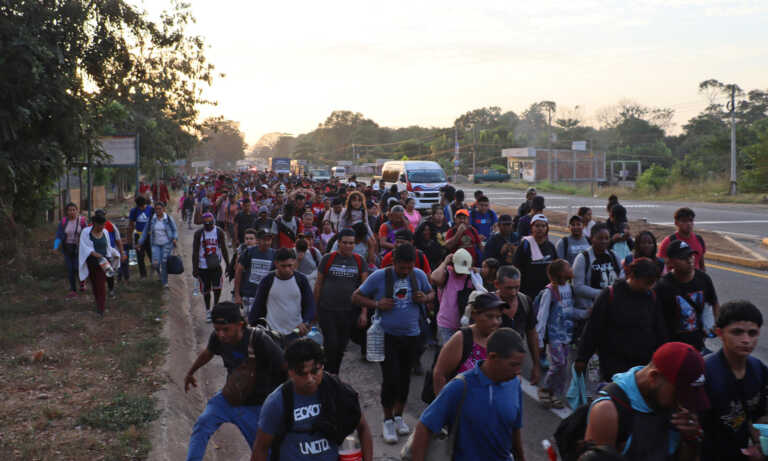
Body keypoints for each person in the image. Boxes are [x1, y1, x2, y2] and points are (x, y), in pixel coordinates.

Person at [351, 244, 435, 444]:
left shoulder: (419, 275)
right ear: (393, 262)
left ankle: (399, 416)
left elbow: (432, 294)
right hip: (386, 336)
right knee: (390, 378)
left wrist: (425, 298)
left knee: (405, 379)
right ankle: (387, 420)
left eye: (409, 267)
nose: (406, 272)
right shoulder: (379, 276)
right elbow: (355, 297)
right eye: (402, 268)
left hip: (412, 335)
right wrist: (377, 304)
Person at [184, 302, 285, 461]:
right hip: (230, 398)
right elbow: (208, 353)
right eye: (217, 330)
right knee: (202, 424)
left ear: (240, 325)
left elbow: (286, 368)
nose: (221, 334)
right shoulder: (217, 338)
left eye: (226, 329)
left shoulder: (259, 340)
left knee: (262, 451)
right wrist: (191, 372)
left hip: (256, 406)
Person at [411, 328, 527, 461]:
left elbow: (515, 431)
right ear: (493, 357)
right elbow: (424, 428)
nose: (518, 371)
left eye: (520, 365)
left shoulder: (514, 384)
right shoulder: (461, 386)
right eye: (513, 365)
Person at [583, 342, 710, 461]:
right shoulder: (608, 411)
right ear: (653, 377)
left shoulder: (677, 408)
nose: (683, 404)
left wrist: (691, 439)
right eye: (679, 394)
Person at [251, 338, 374, 461]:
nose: (310, 379)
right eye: (302, 373)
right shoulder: (276, 403)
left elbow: (363, 427)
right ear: (290, 372)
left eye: (315, 371)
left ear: (322, 366)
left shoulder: (337, 390)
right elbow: (261, 448)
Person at [575, 258, 668, 382]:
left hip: (642, 365)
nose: (650, 286)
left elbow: (659, 328)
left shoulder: (652, 297)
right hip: (614, 364)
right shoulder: (610, 295)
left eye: (653, 283)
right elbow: (593, 328)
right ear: (632, 276)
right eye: (647, 282)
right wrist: (582, 358)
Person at [702, 300, 768, 461]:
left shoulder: (758, 369)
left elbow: (760, 415)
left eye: (752, 333)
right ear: (719, 333)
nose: (746, 340)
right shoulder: (705, 372)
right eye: (737, 332)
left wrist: (760, 445)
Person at [314, 229, 369, 374]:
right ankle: (326, 373)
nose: (348, 246)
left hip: (349, 311)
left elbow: (364, 289)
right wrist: (315, 309)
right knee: (331, 344)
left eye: (351, 243)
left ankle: (333, 375)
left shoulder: (359, 261)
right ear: (338, 243)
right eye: (344, 243)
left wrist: (364, 313)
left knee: (341, 346)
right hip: (327, 310)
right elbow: (318, 284)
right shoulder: (328, 259)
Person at [431, 292, 505, 395]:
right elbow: (439, 374)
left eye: (498, 317)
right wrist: (442, 406)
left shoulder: (499, 340)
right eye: (489, 316)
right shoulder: (461, 338)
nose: (495, 322)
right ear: (474, 314)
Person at [654, 240, 719, 353]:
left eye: (691, 255)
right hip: (673, 348)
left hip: (698, 345)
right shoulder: (662, 286)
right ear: (670, 262)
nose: (689, 260)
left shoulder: (703, 279)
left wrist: (716, 325)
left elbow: (714, 303)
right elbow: (657, 319)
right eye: (683, 257)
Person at [249, 248, 316, 342]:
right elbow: (257, 306)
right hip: (271, 333)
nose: (287, 269)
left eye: (290, 265)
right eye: (283, 266)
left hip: (295, 332)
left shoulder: (301, 280)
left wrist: (305, 322)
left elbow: (310, 305)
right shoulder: (267, 280)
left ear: (295, 263)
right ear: (276, 264)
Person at [535, 259, 576, 409]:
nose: (571, 269)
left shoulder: (569, 288)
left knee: (564, 367)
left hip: (567, 333)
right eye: (568, 267)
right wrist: (539, 340)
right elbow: (542, 315)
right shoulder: (550, 291)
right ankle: (546, 388)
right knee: (558, 363)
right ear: (560, 273)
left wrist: (585, 313)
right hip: (554, 336)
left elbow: (571, 310)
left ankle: (555, 395)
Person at [495, 265, 542, 385]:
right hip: (493, 367)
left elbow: (532, 334)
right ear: (497, 285)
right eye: (509, 288)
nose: (513, 292)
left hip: (516, 369)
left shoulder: (525, 301)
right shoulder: (488, 305)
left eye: (517, 287)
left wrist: (536, 365)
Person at [572, 223, 621, 328]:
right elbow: (578, 287)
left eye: (607, 238)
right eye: (600, 238)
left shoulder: (614, 256)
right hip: (591, 313)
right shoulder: (582, 258)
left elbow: (622, 278)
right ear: (591, 238)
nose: (604, 241)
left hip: (612, 310)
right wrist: (603, 294)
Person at [431, 249, 476, 345]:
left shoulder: (470, 277)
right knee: (447, 355)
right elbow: (434, 278)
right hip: (445, 324)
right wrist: (445, 262)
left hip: (463, 326)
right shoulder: (447, 273)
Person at [78, 214, 120, 315]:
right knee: (95, 284)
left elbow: (108, 246)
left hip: (104, 261)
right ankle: (98, 302)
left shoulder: (105, 232)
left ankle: (101, 308)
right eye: (100, 225)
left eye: (103, 225)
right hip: (92, 262)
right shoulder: (86, 232)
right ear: (95, 223)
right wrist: (93, 253)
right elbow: (84, 246)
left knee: (101, 284)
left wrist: (116, 253)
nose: (102, 227)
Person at [192, 213, 231, 322]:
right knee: (206, 290)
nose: (208, 226)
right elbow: (195, 252)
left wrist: (228, 264)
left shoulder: (219, 232)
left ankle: (215, 307)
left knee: (217, 288)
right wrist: (194, 268)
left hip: (215, 266)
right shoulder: (198, 233)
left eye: (210, 224)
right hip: (202, 267)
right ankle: (208, 310)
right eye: (206, 224)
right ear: (203, 224)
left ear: (213, 222)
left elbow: (224, 249)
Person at [512, 214, 557, 298]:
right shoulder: (524, 245)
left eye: (543, 226)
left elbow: (555, 268)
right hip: (527, 292)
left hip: (547, 292)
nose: (540, 228)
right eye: (537, 225)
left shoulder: (551, 246)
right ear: (531, 227)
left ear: (547, 228)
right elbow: (516, 268)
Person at [234, 229, 275, 318]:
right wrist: (237, 294)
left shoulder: (274, 254)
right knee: (249, 322)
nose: (267, 242)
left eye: (269, 240)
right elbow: (238, 271)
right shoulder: (249, 252)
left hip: (266, 297)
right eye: (264, 240)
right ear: (258, 240)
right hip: (250, 294)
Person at [138, 201, 178, 288]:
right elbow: (145, 232)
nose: (158, 211)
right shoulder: (152, 219)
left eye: (160, 209)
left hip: (166, 244)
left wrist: (175, 238)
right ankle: (160, 274)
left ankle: (165, 282)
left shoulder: (168, 219)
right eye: (156, 209)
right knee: (155, 263)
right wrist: (140, 242)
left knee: (164, 263)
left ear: (163, 209)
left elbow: (174, 230)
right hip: (155, 244)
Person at [54, 202, 88, 298]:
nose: (72, 212)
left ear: (77, 211)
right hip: (67, 248)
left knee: (78, 267)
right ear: (66, 212)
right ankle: (73, 289)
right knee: (70, 270)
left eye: (74, 210)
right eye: (70, 210)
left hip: (79, 249)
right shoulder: (64, 222)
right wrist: (55, 247)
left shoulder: (82, 221)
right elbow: (59, 235)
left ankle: (82, 282)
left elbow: (87, 234)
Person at [658, 207, 707, 272]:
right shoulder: (669, 242)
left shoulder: (699, 239)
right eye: (684, 221)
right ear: (676, 223)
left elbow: (701, 265)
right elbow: (661, 267)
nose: (689, 224)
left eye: (691, 220)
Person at [95, 209, 127, 297]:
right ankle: (99, 291)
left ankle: (111, 289)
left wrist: (122, 252)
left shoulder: (110, 226)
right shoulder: (90, 227)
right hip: (96, 254)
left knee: (109, 272)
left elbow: (118, 240)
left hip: (109, 252)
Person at [127, 196, 153, 278]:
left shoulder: (151, 210)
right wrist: (129, 239)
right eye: (140, 207)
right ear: (137, 206)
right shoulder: (134, 211)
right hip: (138, 236)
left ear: (146, 204)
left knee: (152, 255)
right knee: (140, 256)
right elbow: (131, 225)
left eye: (143, 207)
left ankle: (156, 272)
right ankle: (143, 275)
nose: (142, 208)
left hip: (150, 236)